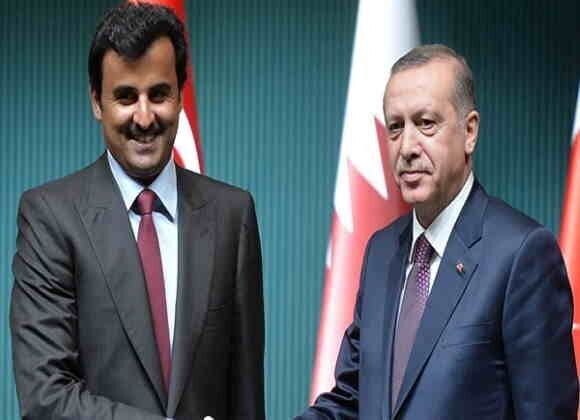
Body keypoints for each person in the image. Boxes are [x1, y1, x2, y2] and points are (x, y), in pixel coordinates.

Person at [10, 3, 264, 419]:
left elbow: (246, 398)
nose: (144, 118)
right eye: (126, 97)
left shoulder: (232, 215)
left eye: (158, 94)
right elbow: (46, 398)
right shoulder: (49, 217)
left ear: (179, 97)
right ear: (97, 101)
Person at [297, 44, 578, 419]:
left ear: (470, 131)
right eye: (395, 127)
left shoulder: (521, 254)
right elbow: (352, 400)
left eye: (426, 123)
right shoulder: (382, 251)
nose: (407, 147)